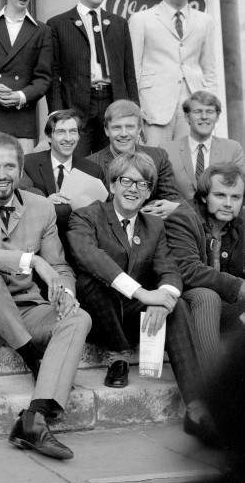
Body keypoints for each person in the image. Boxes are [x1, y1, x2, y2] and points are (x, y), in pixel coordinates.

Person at [0, 133, 91, 461]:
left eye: (10, 166)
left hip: (27, 308)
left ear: (21, 169)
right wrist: (31, 260)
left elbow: (59, 265)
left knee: (79, 317)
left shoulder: (42, 208)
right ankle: (32, 356)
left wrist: (65, 293)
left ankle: (34, 418)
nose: (2, 174)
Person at [68, 152, 215, 444]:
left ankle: (197, 410)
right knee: (90, 281)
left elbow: (169, 269)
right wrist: (144, 294)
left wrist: (166, 299)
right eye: (127, 181)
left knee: (180, 304)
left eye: (143, 184)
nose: (134, 188)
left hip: (136, 313)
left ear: (149, 192)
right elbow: (90, 257)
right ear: (112, 185)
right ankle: (118, 355)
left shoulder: (154, 225)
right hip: (98, 315)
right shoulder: (86, 215)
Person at [46, 0, 139, 156]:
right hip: (76, 105)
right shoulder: (58, 24)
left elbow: (128, 72)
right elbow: (53, 74)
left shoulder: (118, 24)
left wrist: (134, 110)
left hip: (113, 104)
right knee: (76, 162)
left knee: (116, 161)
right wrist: (56, 112)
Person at [164, 164, 245, 382]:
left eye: (235, 197)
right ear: (203, 197)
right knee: (207, 297)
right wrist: (239, 286)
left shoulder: (240, 224)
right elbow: (188, 270)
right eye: (220, 195)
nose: (228, 204)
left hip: (225, 304)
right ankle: (213, 388)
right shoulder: (183, 217)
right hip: (184, 300)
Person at [129, 0, 217, 146]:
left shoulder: (205, 21)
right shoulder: (141, 19)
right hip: (154, 106)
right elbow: (133, 68)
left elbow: (210, 68)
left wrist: (209, 105)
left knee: (190, 166)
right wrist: (137, 107)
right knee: (154, 164)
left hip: (194, 105)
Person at [0, 0, 52, 153]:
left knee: (20, 176)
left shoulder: (42, 30)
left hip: (22, 116)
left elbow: (43, 78)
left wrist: (21, 96)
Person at [22, 109, 104, 246]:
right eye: (61, 132)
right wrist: (45, 203)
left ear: (78, 136)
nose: (68, 138)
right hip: (37, 241)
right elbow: (20, 202)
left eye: (73, 131)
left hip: (79, 243)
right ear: (49, 136)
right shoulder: (28, 164)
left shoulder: (93, 170)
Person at [87, 100, 181, 218]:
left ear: (139, 129)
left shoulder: (158, 157)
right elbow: (92, 212)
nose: (124, 134)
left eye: (130, 127)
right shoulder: (90, 164)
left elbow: (172, 201)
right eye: (117, 127)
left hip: (153, 228)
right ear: (106, 130)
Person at [161, 91, 245, 200]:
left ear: (217, 117)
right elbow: (162, 193)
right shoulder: (167, 150)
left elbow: (238, 191)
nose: (204, 117)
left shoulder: (233, 149)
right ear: (187, 117)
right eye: (197, 112)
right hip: (179, 215)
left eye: (209, 112)